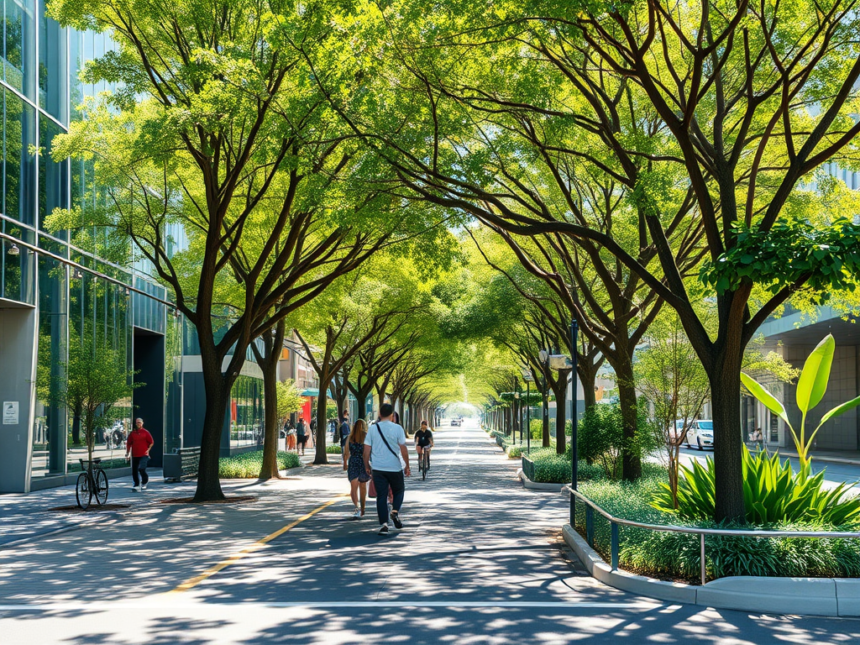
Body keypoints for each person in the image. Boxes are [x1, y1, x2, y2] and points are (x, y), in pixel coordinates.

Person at [363, 403, 410, 536]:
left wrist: (367, 465)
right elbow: (403, 448)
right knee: (399, 490)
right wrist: (407, 465)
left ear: (379, 414)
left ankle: (384, 524)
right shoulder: (397, 428)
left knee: (381, 496)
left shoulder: (373, 429)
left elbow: (366, 449)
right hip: (394, 467)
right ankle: (395, 510)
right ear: (391, 415)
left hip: (378, 468)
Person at [344, 419, 371, 518]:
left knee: (353, 487)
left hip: (353, 462)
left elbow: (346, 452)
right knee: (363, 486)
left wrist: (345, 463)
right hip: (363, 462)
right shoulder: (367, 437)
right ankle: (363, 508)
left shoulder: (350, 437)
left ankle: (357, 507)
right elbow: (369, 451)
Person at [125, 418, 154, 492]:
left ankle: (144, 481)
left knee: (141, 468)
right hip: (135, 455)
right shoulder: (132, 433)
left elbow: (151, 442)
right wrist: (127, 453)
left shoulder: (145, 432)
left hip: (144, 454)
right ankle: (136, 484)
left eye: (140, 422)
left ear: (142, 423)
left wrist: (148, 450)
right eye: (137, 422)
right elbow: (129, 444)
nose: (138, 424)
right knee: (134, 471)